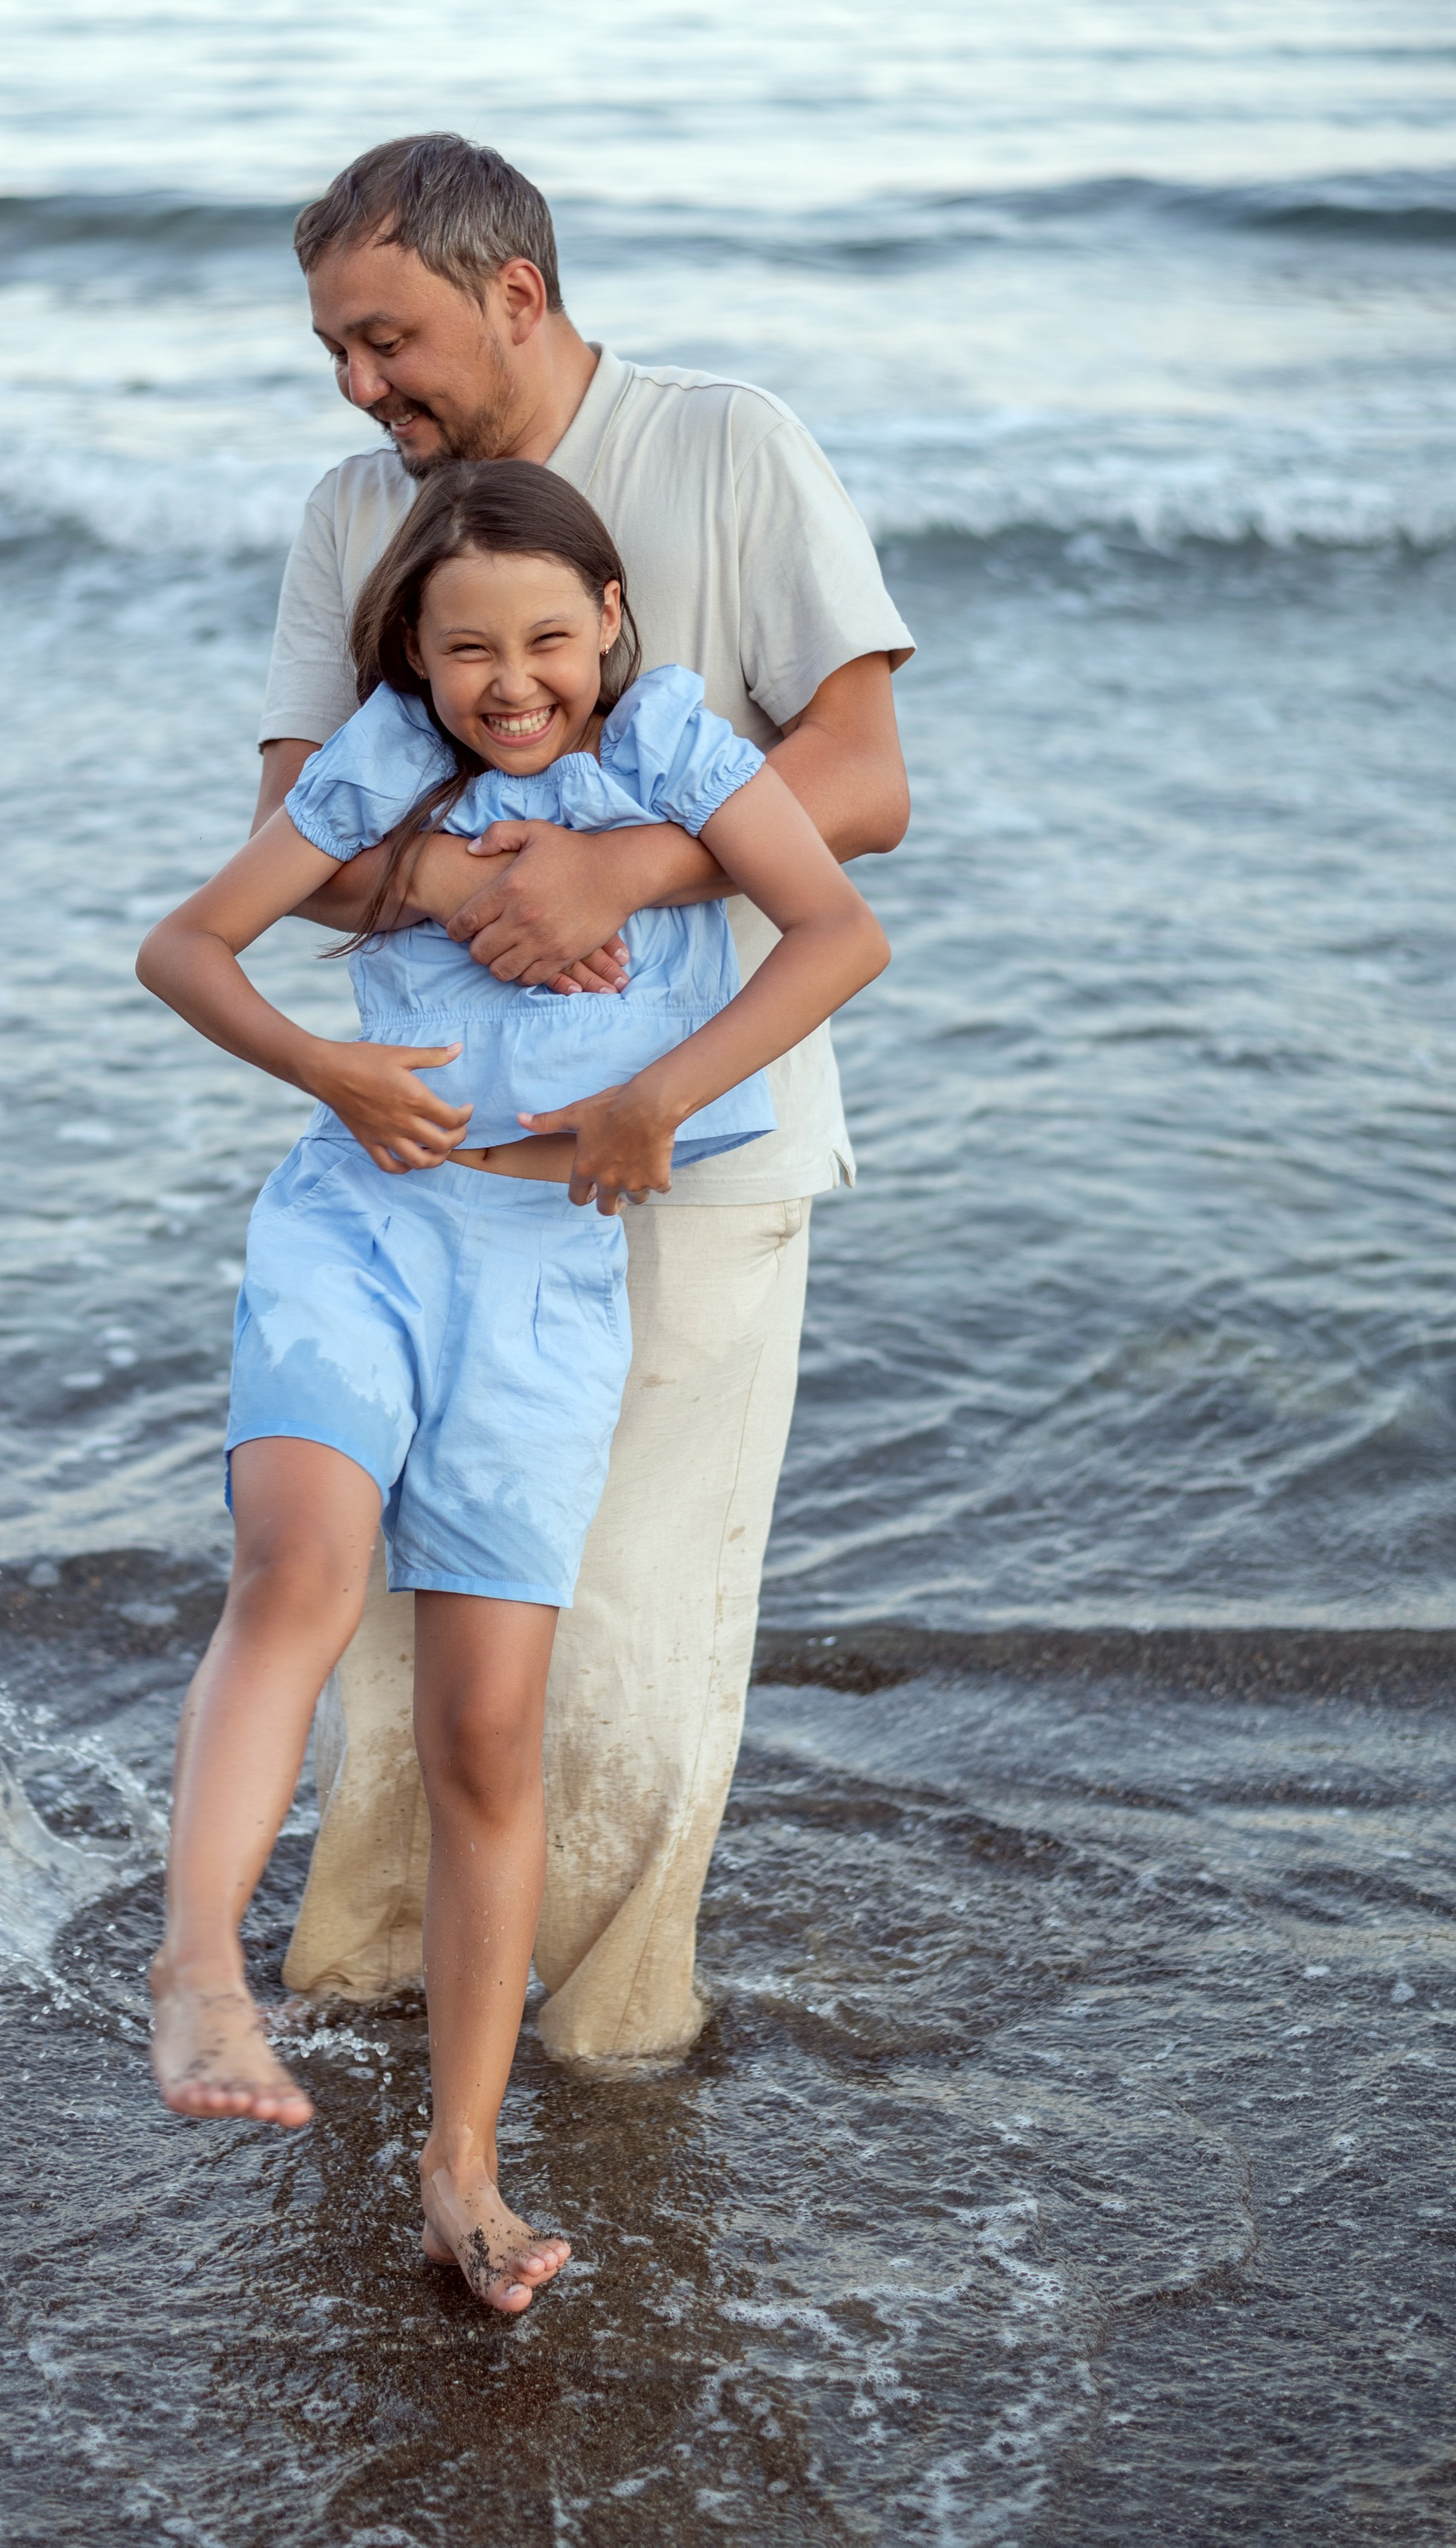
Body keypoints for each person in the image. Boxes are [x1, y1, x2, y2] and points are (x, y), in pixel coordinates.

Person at [136, 461, 887, 2311]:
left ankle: (460, 2174)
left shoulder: (679, 752)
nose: (511, 679)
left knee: (488, 1738)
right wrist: (331, 1069)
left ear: (612, 620)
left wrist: (653, 1096)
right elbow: (186, 944)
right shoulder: (383, 760)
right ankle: (196, 1968)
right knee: (299, 1564)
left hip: (546, 1282)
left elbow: (839, 930)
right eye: (465, 646)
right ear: (411, 649)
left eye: (549, 636)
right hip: (362, 1230)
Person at [252, 135, 915, 2062]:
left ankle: (618, 2038)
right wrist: (466, 884)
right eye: (336, 351)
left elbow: (864, 781)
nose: (363, 387)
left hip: (697, 1148)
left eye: (389, 340)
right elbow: (292, 841)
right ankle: (369, 2005)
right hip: (433, 1160)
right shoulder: (345, 515)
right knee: (405, 1624)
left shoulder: (724, 443)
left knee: (629, 1622)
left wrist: (623, 867)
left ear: (514, 295)